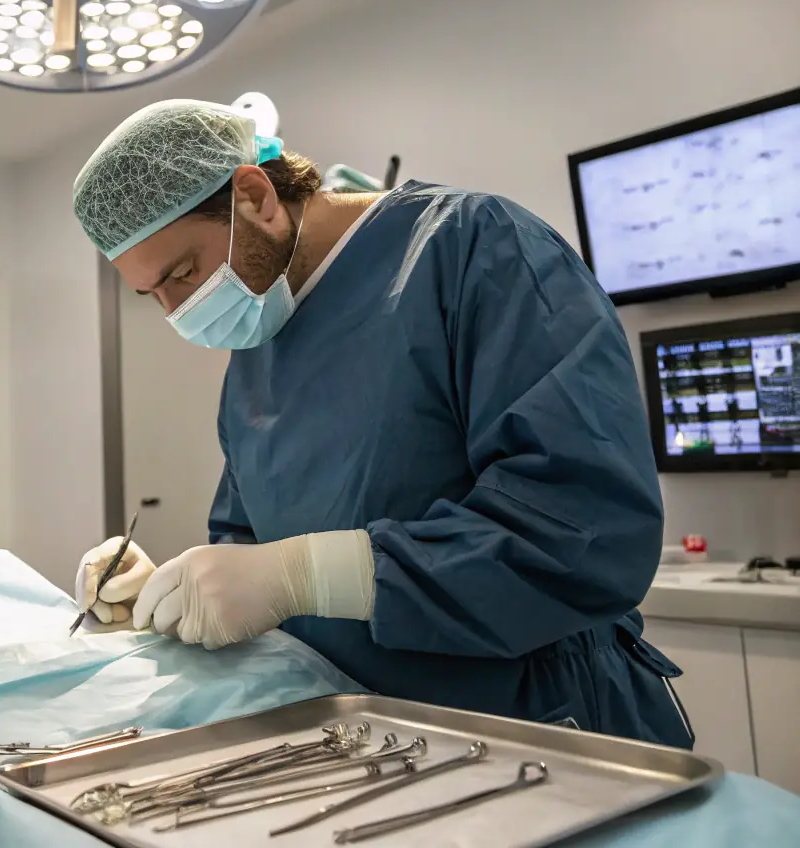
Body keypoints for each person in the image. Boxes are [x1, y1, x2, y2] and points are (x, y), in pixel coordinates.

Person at [70, 99, 693, 748]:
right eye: (153, 295)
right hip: (350, 730)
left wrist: (304, 576)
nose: (177, 311)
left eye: (181, 274)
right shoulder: (257, 346)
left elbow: (584, 532)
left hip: (530, 724)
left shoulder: (475, 248)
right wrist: (175, 591)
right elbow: (250, 544)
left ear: (255, 197)